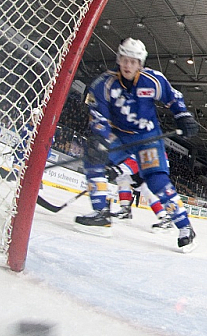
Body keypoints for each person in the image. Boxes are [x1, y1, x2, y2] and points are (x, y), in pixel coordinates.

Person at [74, 37, 199, 252]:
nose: (128, 65)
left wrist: (183, 116)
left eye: (133, 61)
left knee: (157, 181)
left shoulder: (153, 80)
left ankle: (185, 227)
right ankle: (101, 214)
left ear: (140, 63)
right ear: (119, 59)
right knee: (93, 156)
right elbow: (97, 117)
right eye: (124, 59)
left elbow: (174, 98)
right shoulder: (104, 84)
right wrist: (102, 140)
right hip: (119, 137)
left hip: (147, 138)